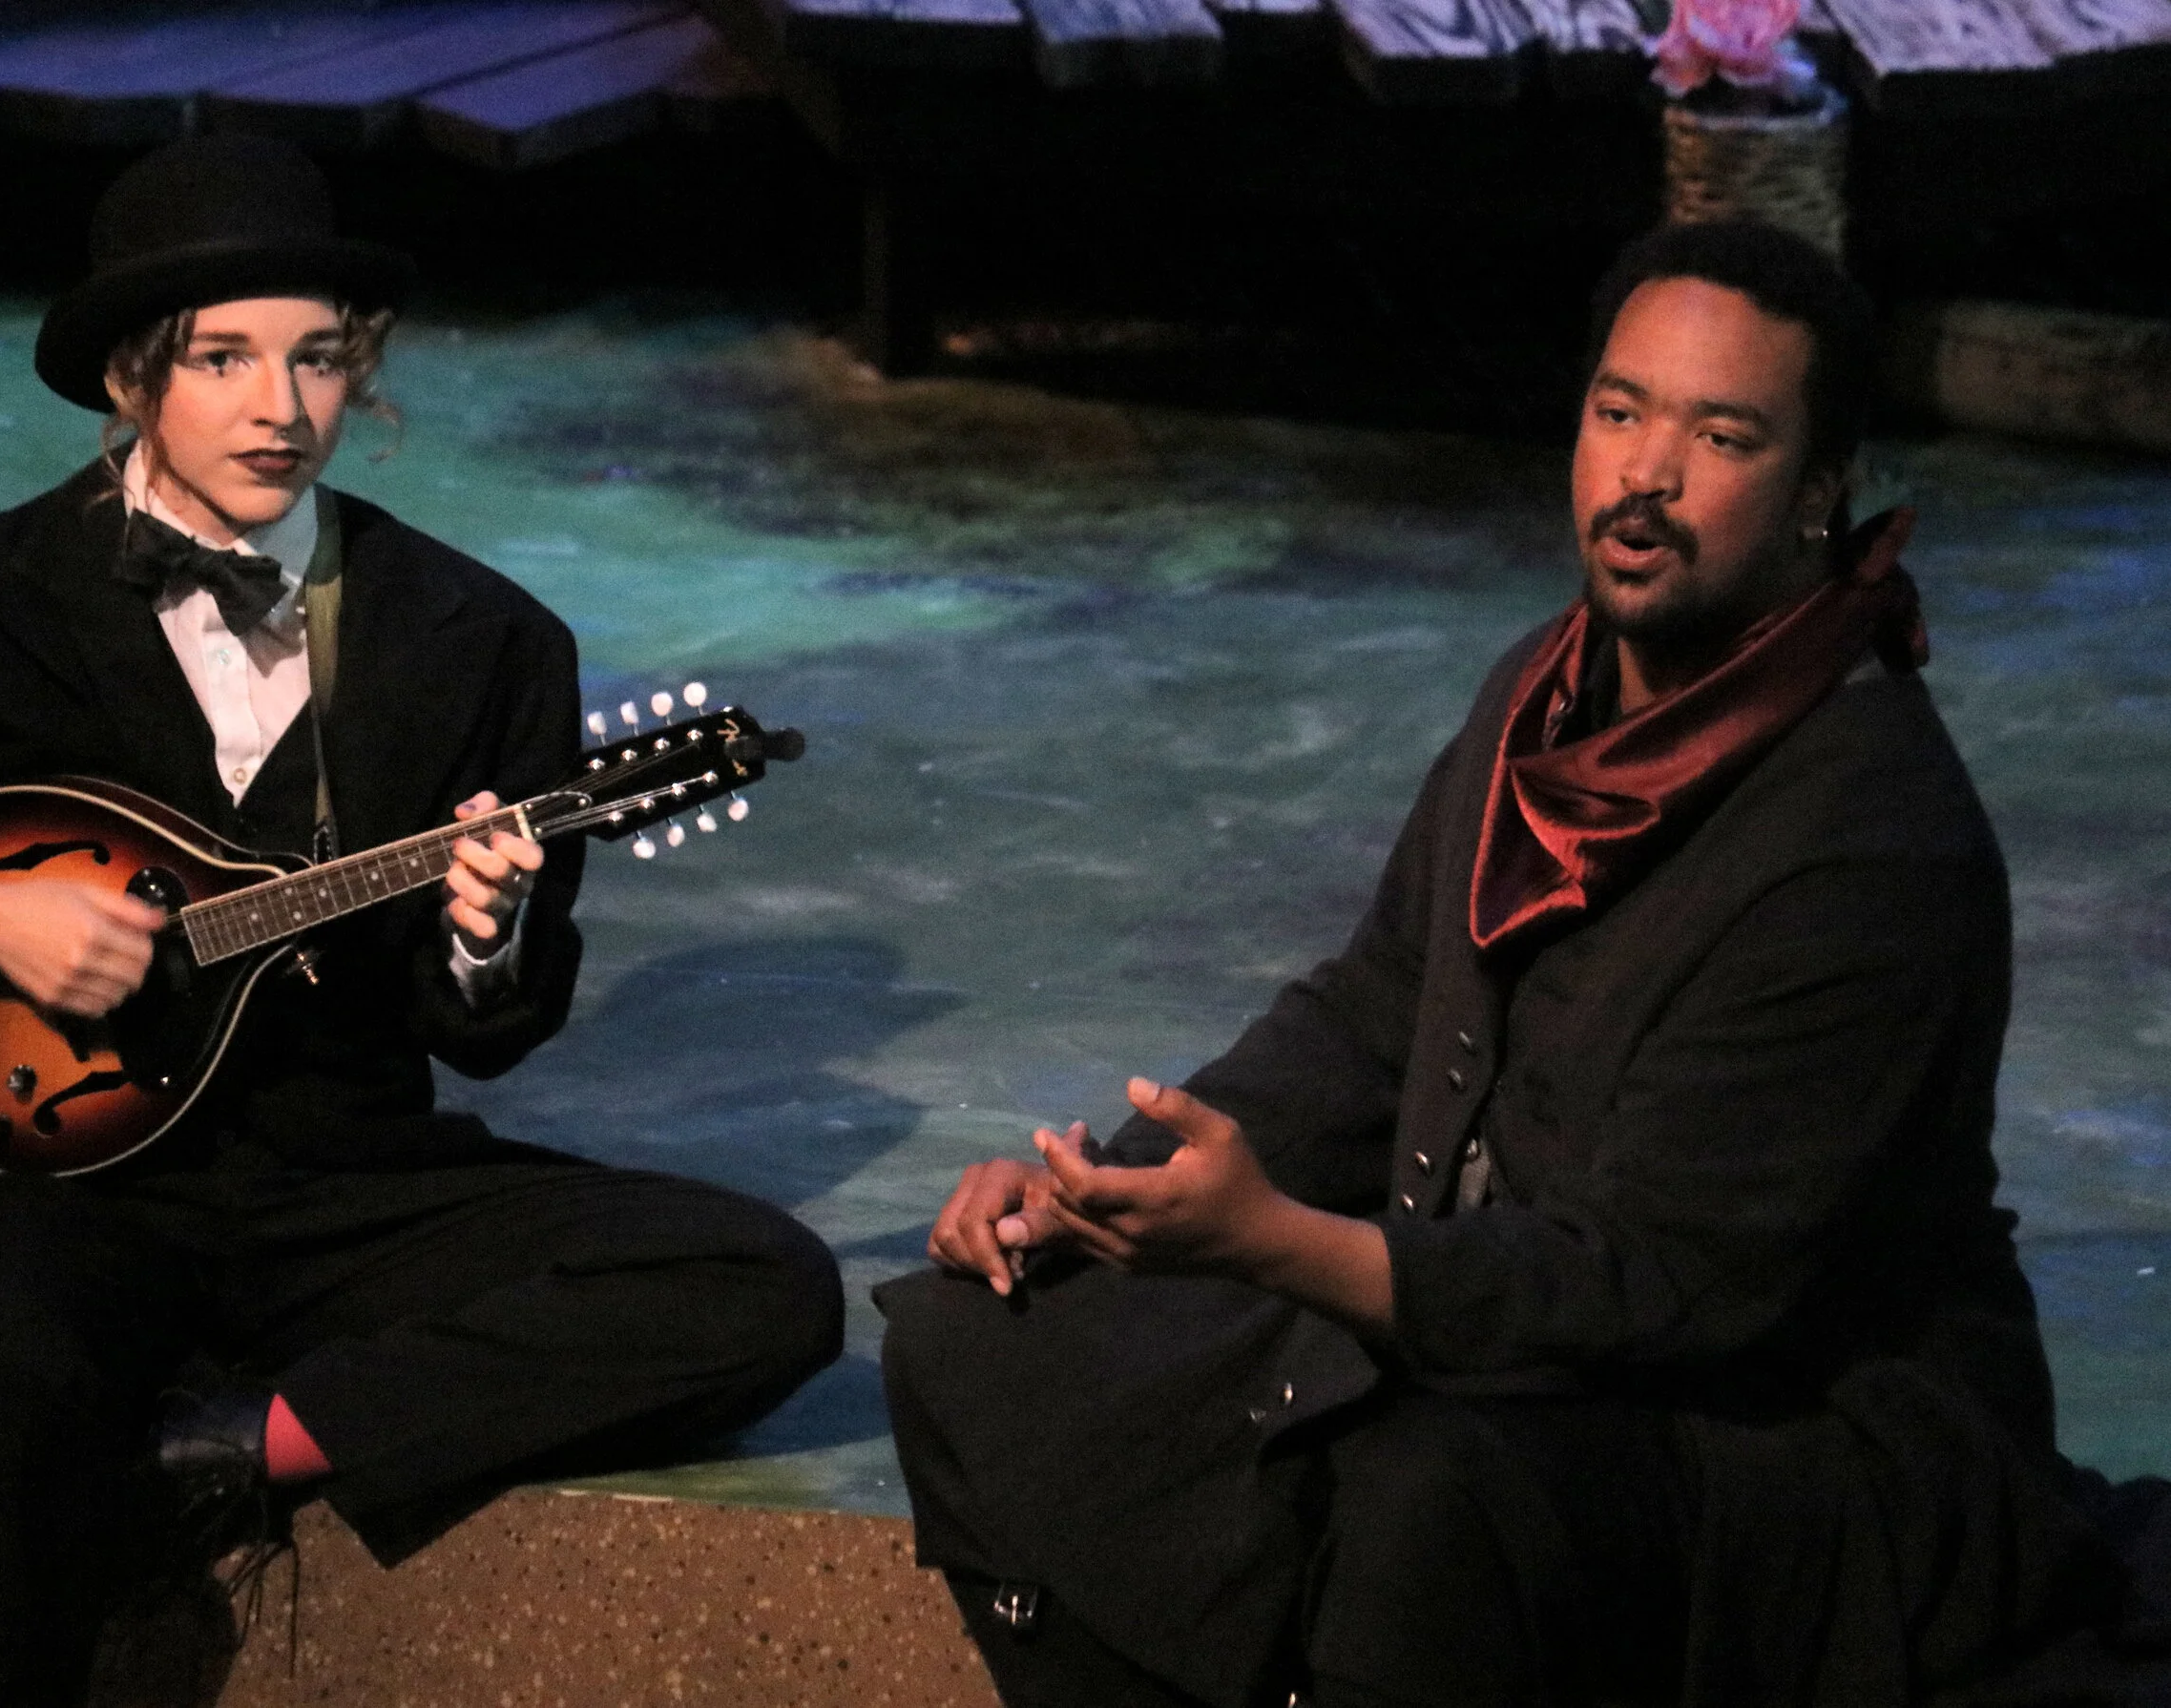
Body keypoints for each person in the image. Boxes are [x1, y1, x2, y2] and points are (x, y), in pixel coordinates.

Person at [877, 220, 2120, 1708]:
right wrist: (1107, 1185)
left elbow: (1659, 1284)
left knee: (1427, 1496)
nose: (1645, 475)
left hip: (1791, 1431)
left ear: (1819, 491)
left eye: (1720, 435)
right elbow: (1373, 1015)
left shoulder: (1866, 837)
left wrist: (1277, 1240)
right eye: (1619, 411)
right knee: (980, 1340)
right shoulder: (1538, 693)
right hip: (1512, 1313)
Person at [0, 134, 842, 1708]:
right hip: (36, 1176)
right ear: (135, 379)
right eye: (225, 359)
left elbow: (485, 1034)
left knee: (764, 1282)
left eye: (320, 359)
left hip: (331, 1178)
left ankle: (239, 1445)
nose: (282, 410)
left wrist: (486, 924)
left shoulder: (479, 638)